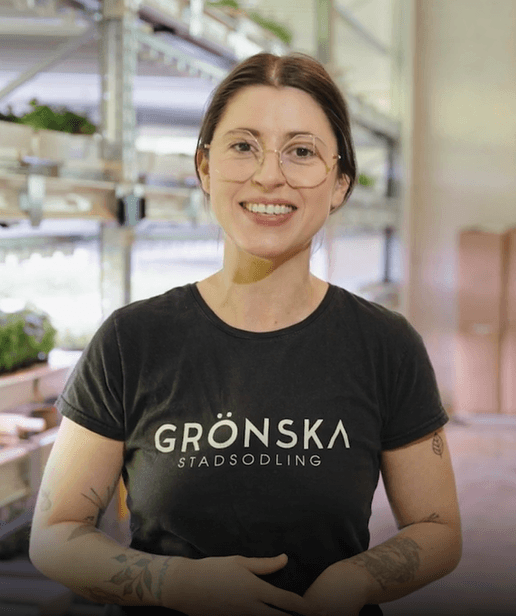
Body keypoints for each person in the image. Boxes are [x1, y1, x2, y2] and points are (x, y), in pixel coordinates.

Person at [29, 52, 462, 616]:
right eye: (243, 146)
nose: (268, 175)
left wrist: (354, 583)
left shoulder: (385, 344)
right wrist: (174, 584)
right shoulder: (131, 340)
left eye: (301, 151)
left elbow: (438, 529)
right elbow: (55, 532)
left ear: (339, 184)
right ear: (205, 169)